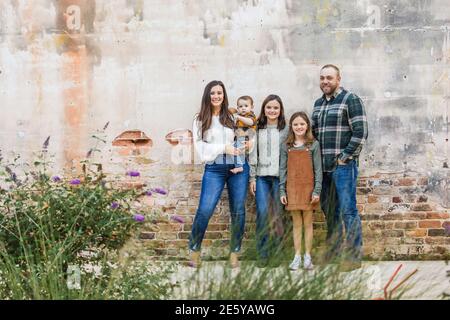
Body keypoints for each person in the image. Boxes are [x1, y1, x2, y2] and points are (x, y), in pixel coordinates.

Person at [311, 64, 368, 271]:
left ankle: (353, 257)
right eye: (322, 78)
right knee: (330, 212)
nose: (325, 81)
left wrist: (344, 158)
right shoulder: (318, 104)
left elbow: (360, 133)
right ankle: (334, 252)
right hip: (323, 169)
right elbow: (314, 135)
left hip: (343, 167)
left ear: (338, 79)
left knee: (348, 211)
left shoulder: (350, 99)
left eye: (329, 78)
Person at [188, 80, 250, 268]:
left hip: (237, 168)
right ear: (208, 95)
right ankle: (194, 248)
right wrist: (224, 147)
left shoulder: (231, 117)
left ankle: (234, 252)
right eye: (213, 93)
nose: (216, 96)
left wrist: (249, 144)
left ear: (224, 95)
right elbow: (200, 147)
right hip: (214, 168)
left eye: (219, 93)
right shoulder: (200, 119)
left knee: (238, 211)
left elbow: (246, 134)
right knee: (205, 209)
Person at [249, 94, 288, 267]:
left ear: (280, 110)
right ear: (264, 109)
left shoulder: (285, 129)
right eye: (269, 107)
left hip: (280, 179)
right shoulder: (257, 128)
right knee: (263, 215)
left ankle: (277, 254)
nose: (272, 110)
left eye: (275, 108)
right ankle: (263, 254)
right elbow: (252, 153)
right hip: (262, 178)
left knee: (278, 217)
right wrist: (252, 177)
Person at [279, 112, 322, 271]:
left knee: (308, 223)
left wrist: (317, 190)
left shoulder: (313, 145)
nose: (299, 127)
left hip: (309, 189)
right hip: (292, 188)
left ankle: (307, 257)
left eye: (302, 124)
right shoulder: (286, 146)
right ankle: (297, 256)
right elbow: (282, 169)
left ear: (307, 126)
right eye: (296, 124)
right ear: (291, 126)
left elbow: (318, 170)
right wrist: (282, 191)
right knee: (296, 224)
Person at [229, 96, 257, 174]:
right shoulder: (239, 117)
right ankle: (240, 165)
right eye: (240, 106)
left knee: (236, 149)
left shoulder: (250, 115)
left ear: (252, 107)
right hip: (240, 137)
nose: (243, 108)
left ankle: (239, 166)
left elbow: (250, 122)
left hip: (247, 138)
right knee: (235, 149)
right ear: (237, 108)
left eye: (246, 106)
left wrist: (238, 117)